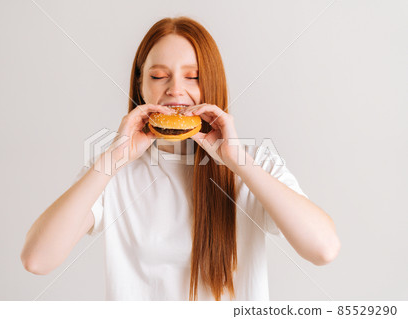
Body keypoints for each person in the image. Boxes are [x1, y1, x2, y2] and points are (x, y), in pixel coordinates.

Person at [21, 16, 340, 301]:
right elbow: (37, 260)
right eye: (159, 76)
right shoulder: (112, 169)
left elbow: (323, 249)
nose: (175, 90)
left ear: (212, 83)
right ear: (140, 85)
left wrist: (236, 161)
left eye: (193, 76)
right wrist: (114, 158)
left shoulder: (253, 162)